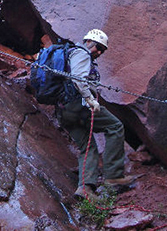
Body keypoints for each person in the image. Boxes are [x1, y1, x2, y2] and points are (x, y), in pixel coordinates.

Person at [57, 29, 137, 199]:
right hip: (78, 105)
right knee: (115, 126)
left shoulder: (69, 54)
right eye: (98, 47)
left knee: (88, 147)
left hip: (63, 110)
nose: (99, 52)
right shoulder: (81, 53)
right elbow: (78, 79)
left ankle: (85, 189)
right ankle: (114, 176)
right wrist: (91, 100)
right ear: (88, 42)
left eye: (102, 50)